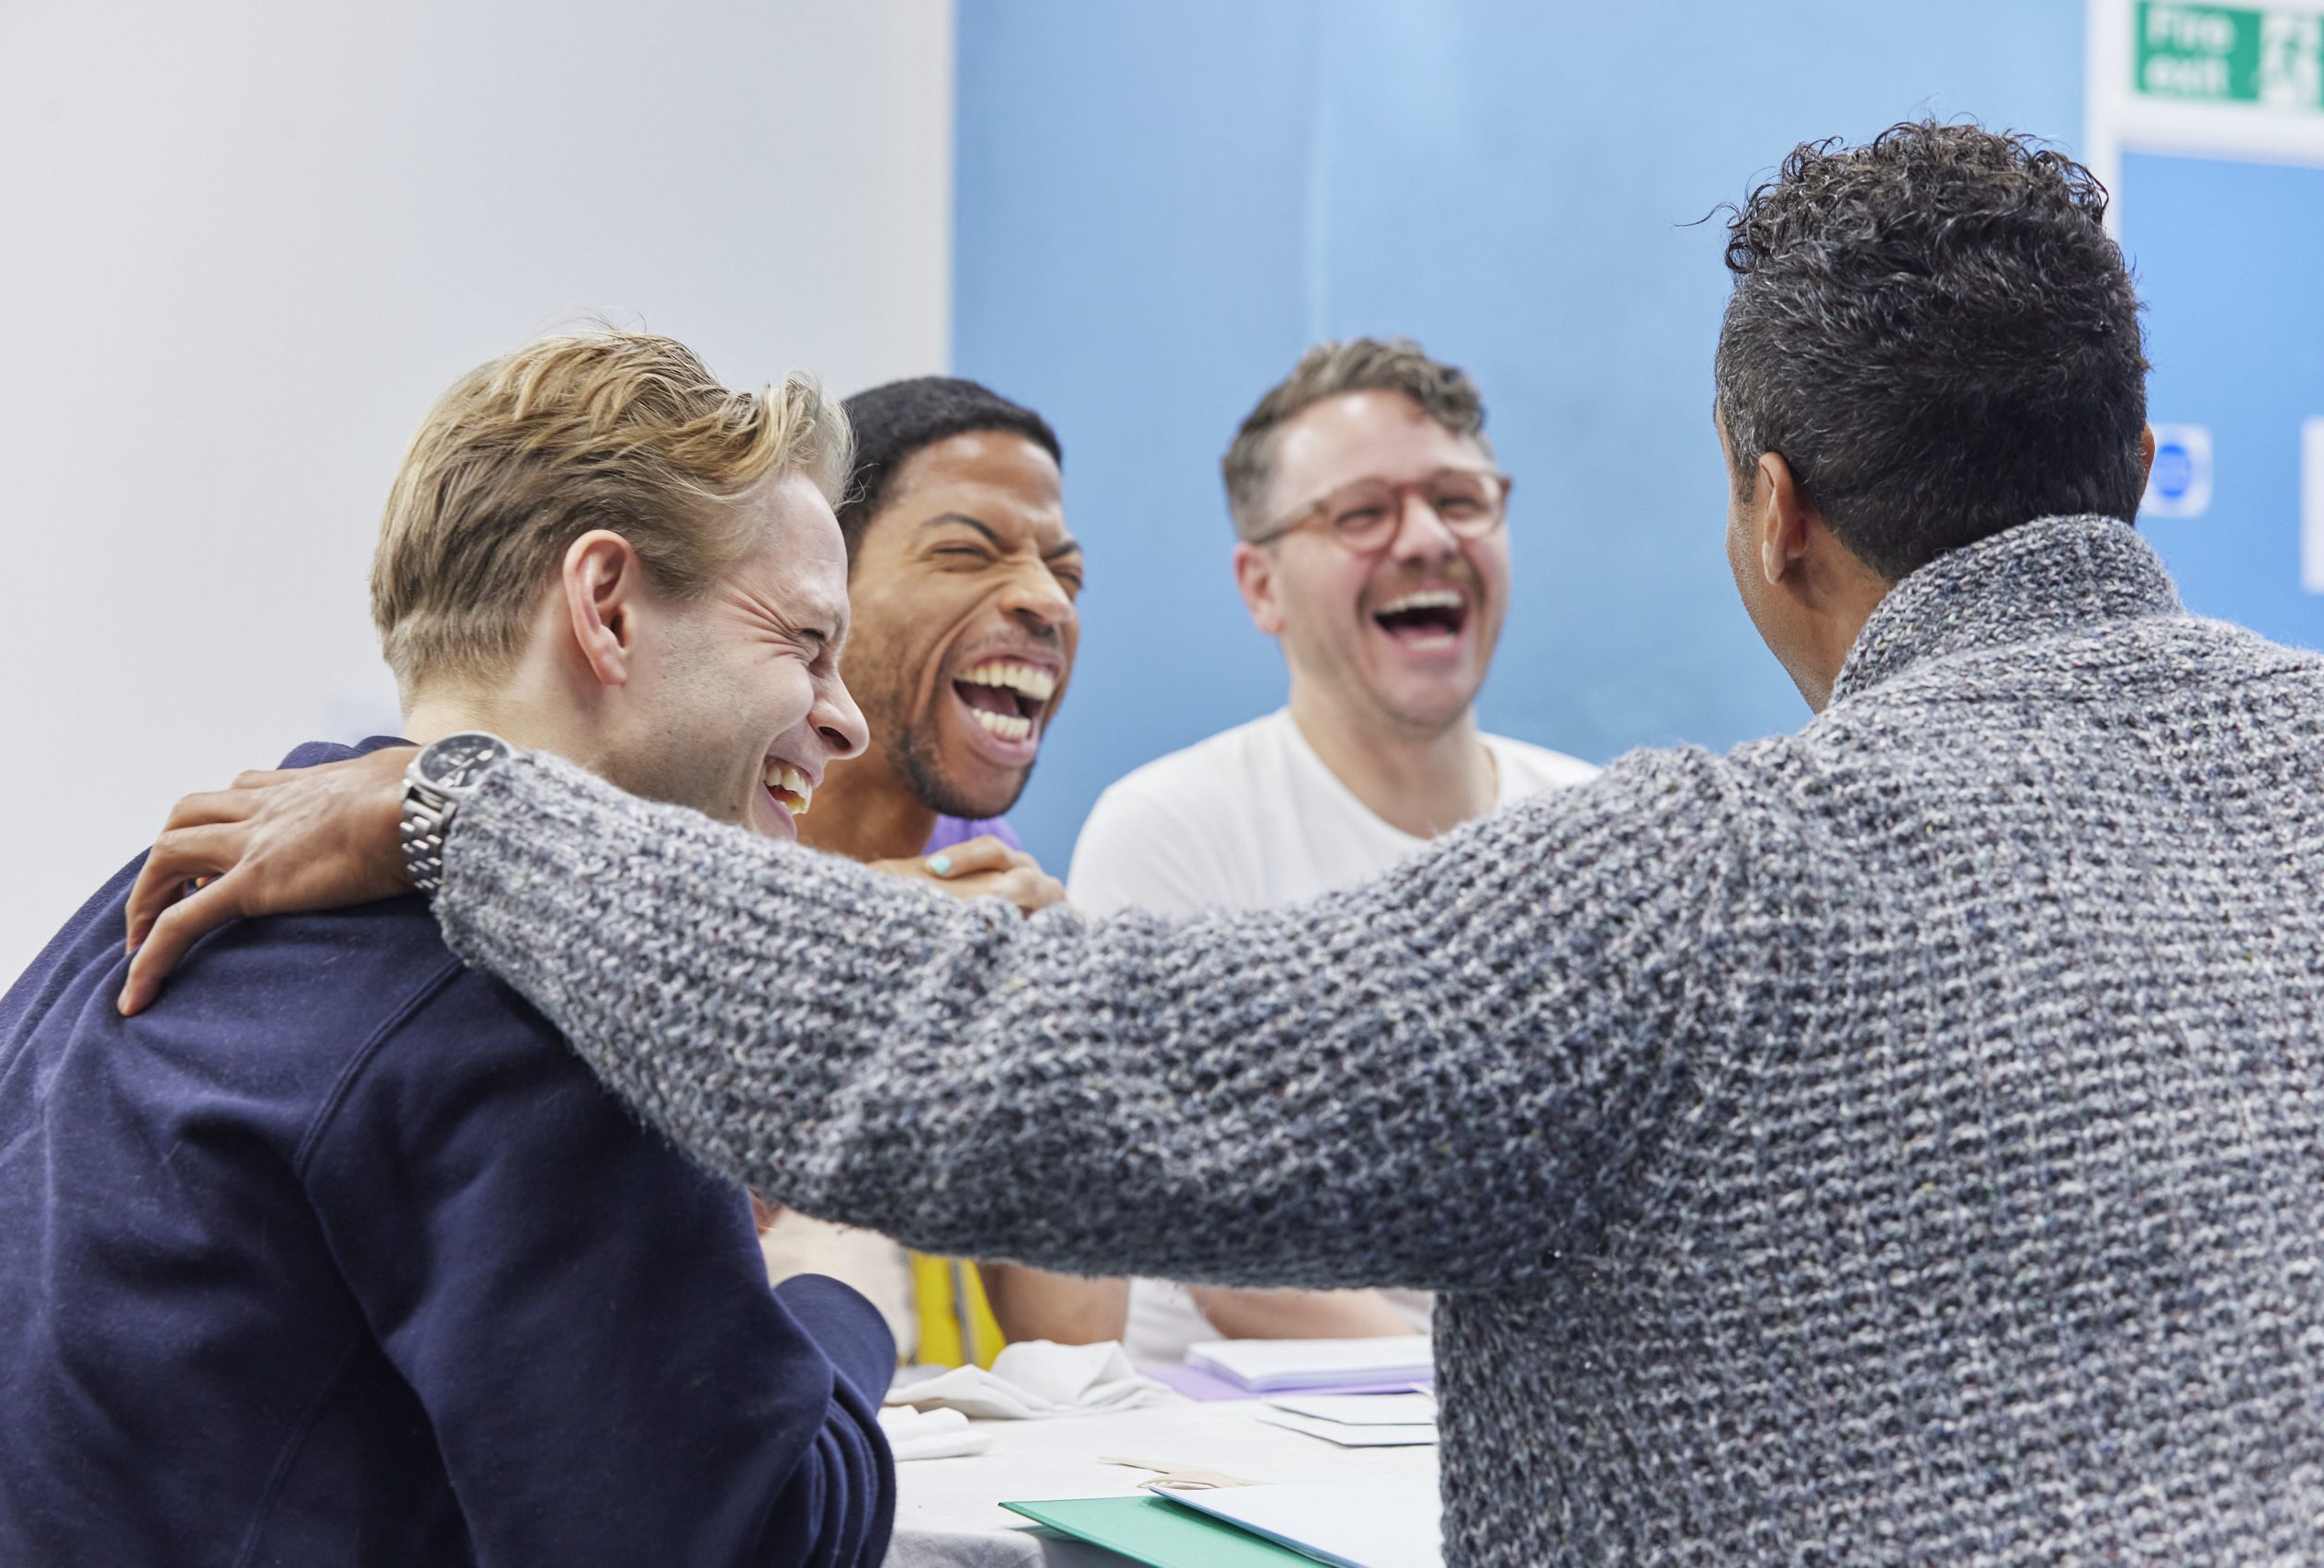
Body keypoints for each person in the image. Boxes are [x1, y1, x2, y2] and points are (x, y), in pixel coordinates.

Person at [122, 122, 2324, 1562]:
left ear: (1765, 506)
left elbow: (1021, 1066)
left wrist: (461, 801)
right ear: (2136, 453)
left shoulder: (1696, 886)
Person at [0, 333, 908, 1567]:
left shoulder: (163, 892)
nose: (845, 720)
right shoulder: (548, 993)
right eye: (802, 641)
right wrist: (836, 1290)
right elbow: (745, 1539)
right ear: (608, 606)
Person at [1044, 337, 1596, 1361]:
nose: (1426, 538)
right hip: (1242, 1470)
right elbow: (1225, 1247)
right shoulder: (1172, 828)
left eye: (1460, 500)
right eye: (1362, 514)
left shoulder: (1598, 829)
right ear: (1260, 586)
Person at [755, 376, 1089, 1354]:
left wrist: (1050, 1011)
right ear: (823, 587)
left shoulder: (990, 875)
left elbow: (1072, 1345)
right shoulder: (695, 825)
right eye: (965, 552)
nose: (1043, 602)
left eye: (1066, 573)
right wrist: (844, 953)